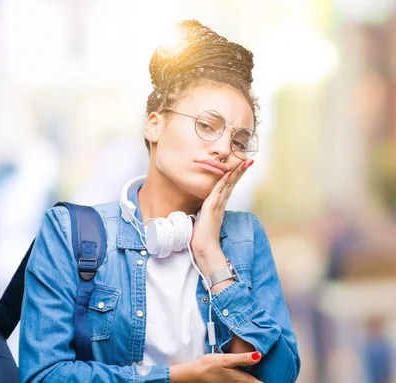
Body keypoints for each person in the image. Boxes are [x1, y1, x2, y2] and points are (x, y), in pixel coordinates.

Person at [19, 20, 300, 383]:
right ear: (154, 126)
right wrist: (181, 377)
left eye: (239, 141)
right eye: (207, 125)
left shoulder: (245, 237)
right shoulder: (69, 233)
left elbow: (280, 375)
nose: (223, 149)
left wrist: (212, 257)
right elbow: (43, 375)